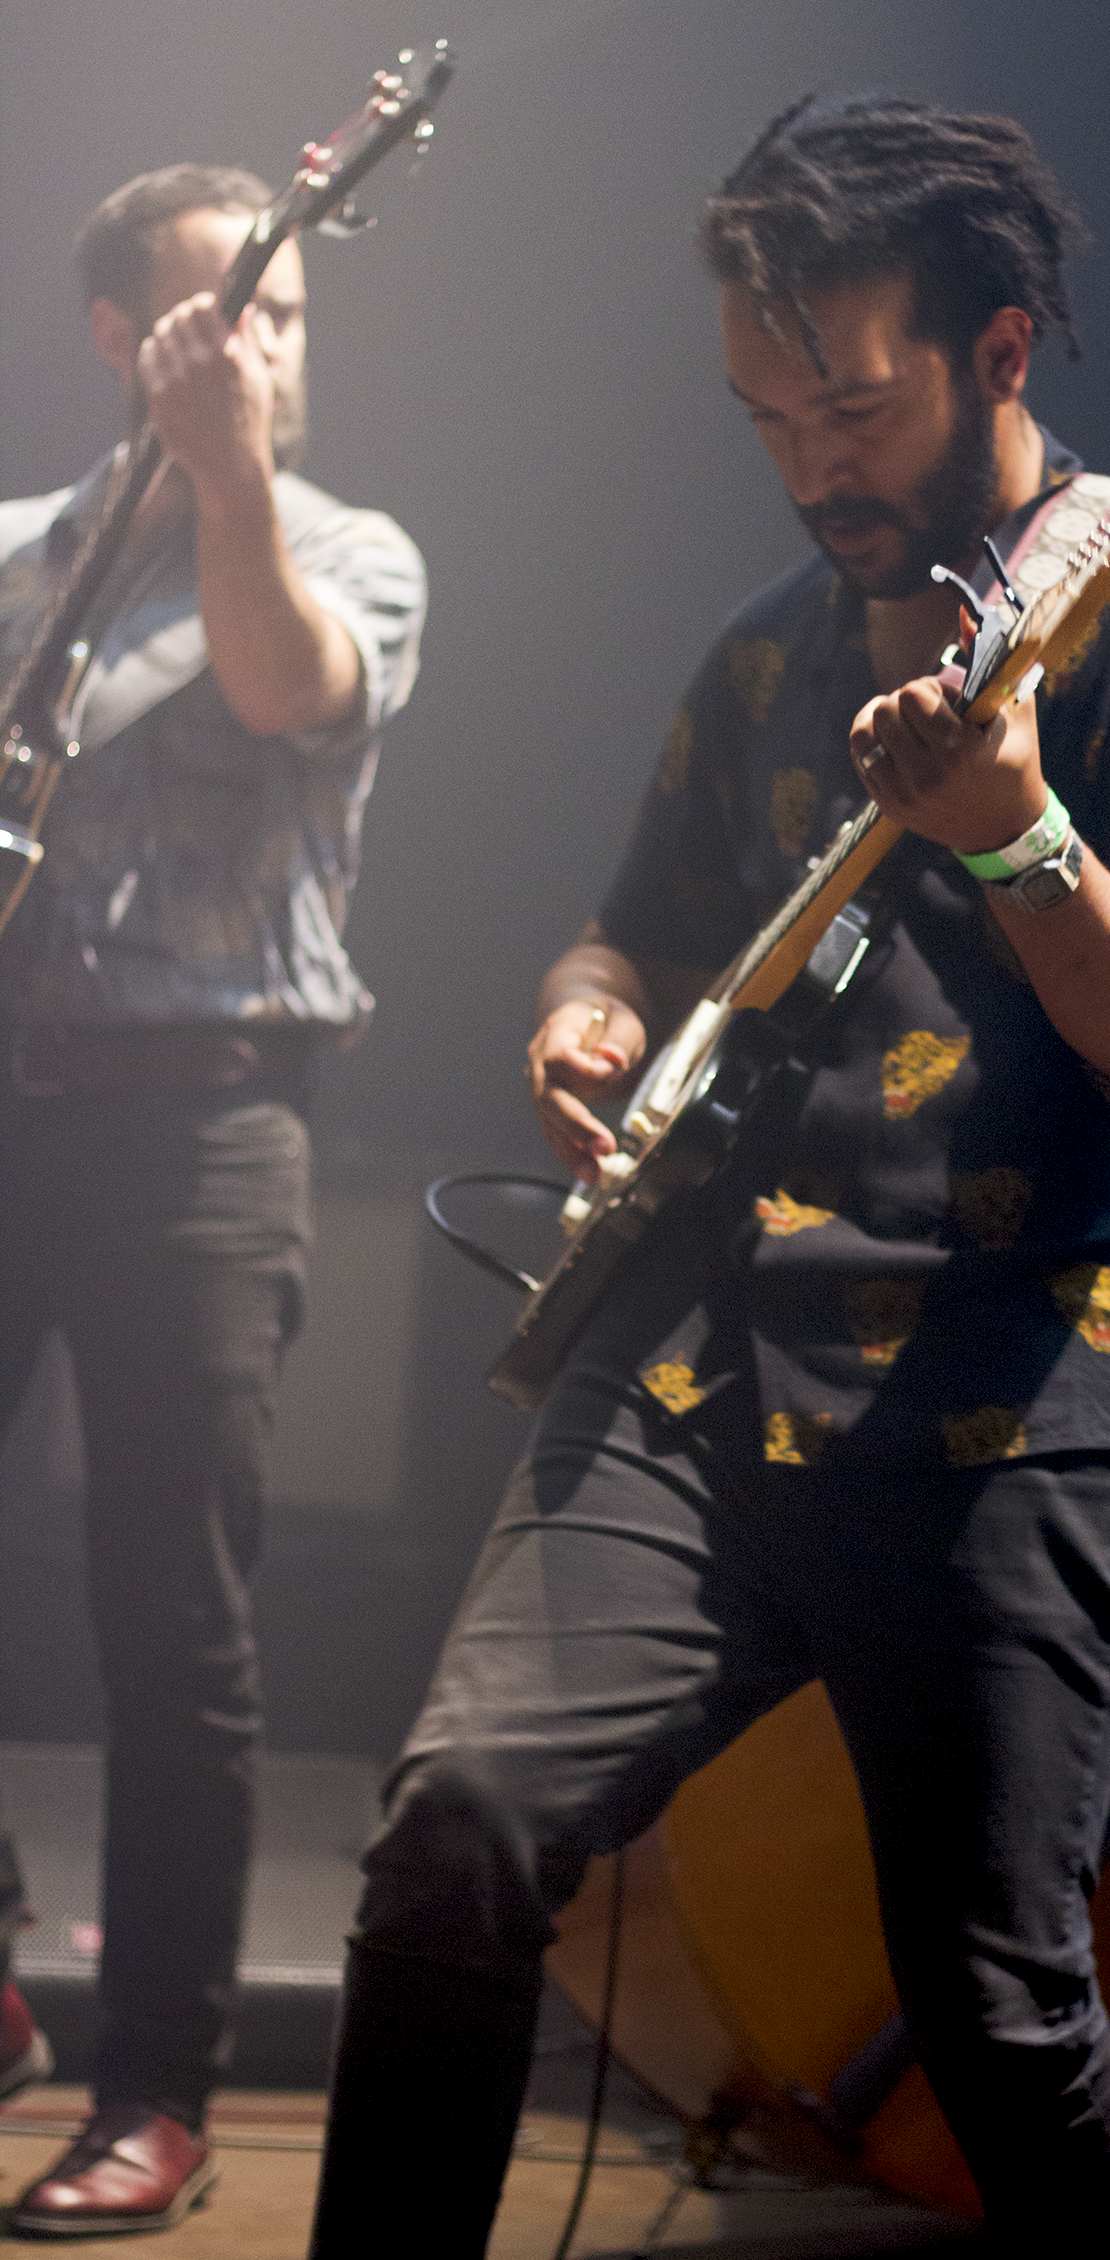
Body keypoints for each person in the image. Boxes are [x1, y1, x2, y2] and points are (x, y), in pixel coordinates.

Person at [308, 96, 1110, 2258]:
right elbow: (623, 935)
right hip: (703, 1358)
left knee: (995, 1999)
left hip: (1016, 1388)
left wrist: (1016, 829)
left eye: (850, 408)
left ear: (1000, 349)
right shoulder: (771, 641)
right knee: (458, 1828)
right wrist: (583, 1020)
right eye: (766, 419)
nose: (809, 466)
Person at [0, 164, 425, 2236]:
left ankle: (157, 2088)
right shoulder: (17, 555)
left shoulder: (348, 549)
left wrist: (229, 467)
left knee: (171, 1628)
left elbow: (275, 685)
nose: (263, 343)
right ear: (116, 334)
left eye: (287, 312)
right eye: (217, 312)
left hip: (204, 1130)